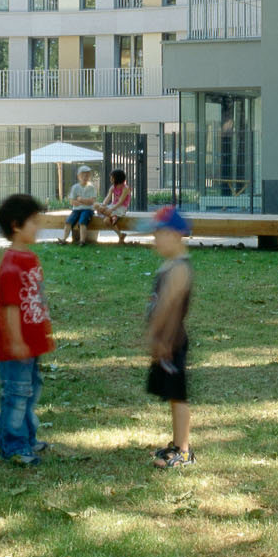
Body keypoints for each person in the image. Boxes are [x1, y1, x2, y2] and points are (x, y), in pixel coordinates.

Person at [0, 193, 54, 465]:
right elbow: (9, 308)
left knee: (31, 390)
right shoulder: (11, 265)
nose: (38, 227)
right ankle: (13, 445)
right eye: (34, 222)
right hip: (16, 346)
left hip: (32, 341)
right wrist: (16, 342)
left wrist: (43, 331)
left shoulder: (30, 258)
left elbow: (36, 299)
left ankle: (28, 437)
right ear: (16, 225)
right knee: (17, 394)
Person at [144, 206, 195, 468]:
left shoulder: (179, 269)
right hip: (167, 340)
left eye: (158, 234)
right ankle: (177, 444)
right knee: (173, 396)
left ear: (175, 235)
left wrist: (159, 337)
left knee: (179, 396)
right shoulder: (171, 264)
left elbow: (168, 307)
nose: (154, 239)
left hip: (172, 340)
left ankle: (184, 451)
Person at [62, 165, 101, 245]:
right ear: (78, 176)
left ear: (89, 176)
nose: (85, 177)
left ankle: (82, 241)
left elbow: (92, 201)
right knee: (68, 222)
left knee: (82, 222)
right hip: (76, 210)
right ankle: (63, 239)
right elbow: (72, 201)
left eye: (87, 175)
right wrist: (83, 202)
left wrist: (80, 199)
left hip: (88, 210)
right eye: (83, 175)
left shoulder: (91, 187)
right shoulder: (75, 187)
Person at [98, 168, 135, 245]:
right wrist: (103, 205)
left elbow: (120, 202)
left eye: (112, 177)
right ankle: (121, 235)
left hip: (121, 207)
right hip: (113, 206)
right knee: (104, 218)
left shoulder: (125, 188)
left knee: (106, 218)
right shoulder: (112, 187)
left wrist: (111, 209)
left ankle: (113, 215)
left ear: (117, 178)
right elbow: (107, 198)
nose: (110, 179)